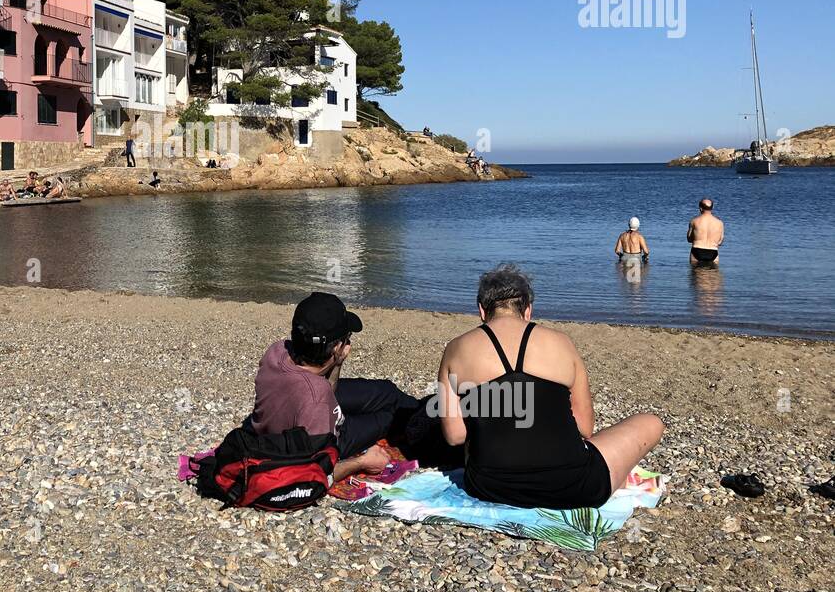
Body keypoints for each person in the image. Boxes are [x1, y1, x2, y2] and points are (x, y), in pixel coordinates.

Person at [436, 265, 664, 509]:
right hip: (574, 487)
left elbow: (455, 435)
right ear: (528, 310)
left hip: (488, 486)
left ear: (482, 310)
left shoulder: (456, 349)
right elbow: (585, 428)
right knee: (652, 423)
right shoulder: (561, 342)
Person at [249, 292, 416, 482]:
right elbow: (317, 473)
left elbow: (325, 390)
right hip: (324, 433)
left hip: (303, 404)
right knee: (390, 417)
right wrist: (362, 462)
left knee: (386, 390)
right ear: (336, 348)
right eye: (347, 338)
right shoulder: (316, 401)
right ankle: (434, 425)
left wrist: (337, 362)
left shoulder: (277, 350)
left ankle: (426, 413)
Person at [687, 198, 723, 265]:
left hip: (697, 250)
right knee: (713, 274)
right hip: (713, 251)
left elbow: (689, 239)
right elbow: (720, 242)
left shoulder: (694, 221)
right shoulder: (720, 223)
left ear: (700, 208)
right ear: (712, 208)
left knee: (695, 274)